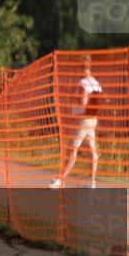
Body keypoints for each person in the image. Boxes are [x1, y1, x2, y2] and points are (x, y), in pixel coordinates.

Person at [51, 55, 103, 189]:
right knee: (92, 150)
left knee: (72, 151)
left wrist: (70, 96)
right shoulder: (96, 83)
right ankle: (92, 181)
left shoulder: (83, 83)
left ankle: (61, 179)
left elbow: (82, 101)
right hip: (93, 120)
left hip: (82, 120)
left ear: (82, 68)